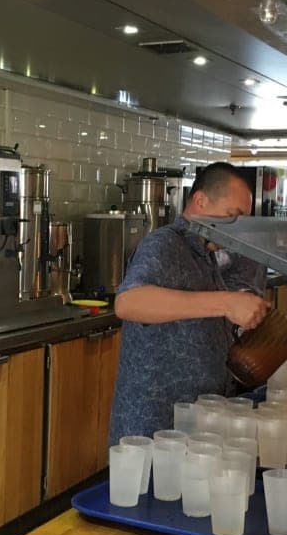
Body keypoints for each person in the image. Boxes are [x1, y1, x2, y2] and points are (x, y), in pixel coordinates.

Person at [109, 162, 270, 443]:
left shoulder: (205, 255)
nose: (237, 228)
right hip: (154, 430)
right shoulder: (165, 244)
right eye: (232, 215)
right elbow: (128, 302)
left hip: (191, 426)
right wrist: (226, 303)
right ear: (200, 201)